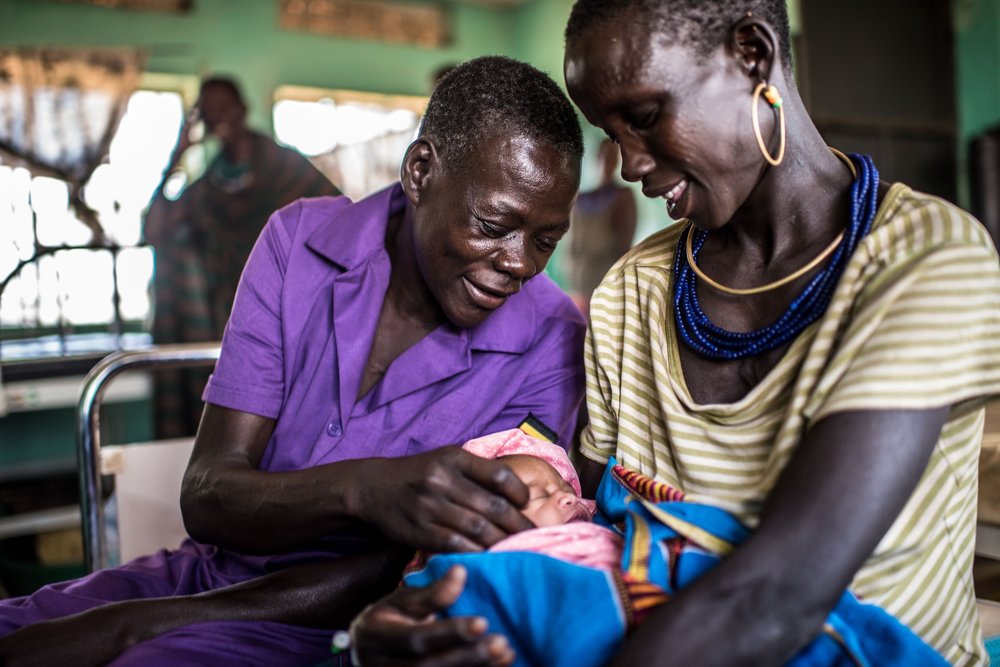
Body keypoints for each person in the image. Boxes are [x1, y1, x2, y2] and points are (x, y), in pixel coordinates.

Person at [349, 1, 1000, 666]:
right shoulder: (633, 294)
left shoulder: (926, 257)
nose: (630, 164)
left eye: (645, 117)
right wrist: (430, 609)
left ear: (752, 54)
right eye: (611, 133)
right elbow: (583, 536)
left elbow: (779, 593)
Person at [0, 56, 586, 666]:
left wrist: (140, 627)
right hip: (200, 577)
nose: (520, 263)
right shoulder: (299, 243)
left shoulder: (550, 340)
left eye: (546, 240)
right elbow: (207, 496)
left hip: (341, 621)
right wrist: (363, 487)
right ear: (421, 171)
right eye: (493, 225)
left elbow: (404, 572)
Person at [402, 434, 950, 667]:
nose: (564, 497)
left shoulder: (605, 527)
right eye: (537, 494)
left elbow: (680, 538)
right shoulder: (493, 567)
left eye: (564, 487)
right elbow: (430, 605)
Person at [143, 76, 341, 439]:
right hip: (228, 314)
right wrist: (178, 153)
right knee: (170, 259)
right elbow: (155, 230)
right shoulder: (210, 186)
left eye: (223, 108)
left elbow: (340, 221)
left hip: (288, 310)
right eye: (208, 111)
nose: (217, 117)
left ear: (242, 110)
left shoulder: (284, 168)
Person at [563, 138, 637, 316]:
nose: (608, 161)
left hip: (605, 280)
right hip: (577, 281)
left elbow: (625, 246)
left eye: (613, 156)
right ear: (597, 158)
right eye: (605, 155)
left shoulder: (623, 197)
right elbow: (571, 240)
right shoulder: (580, 198)